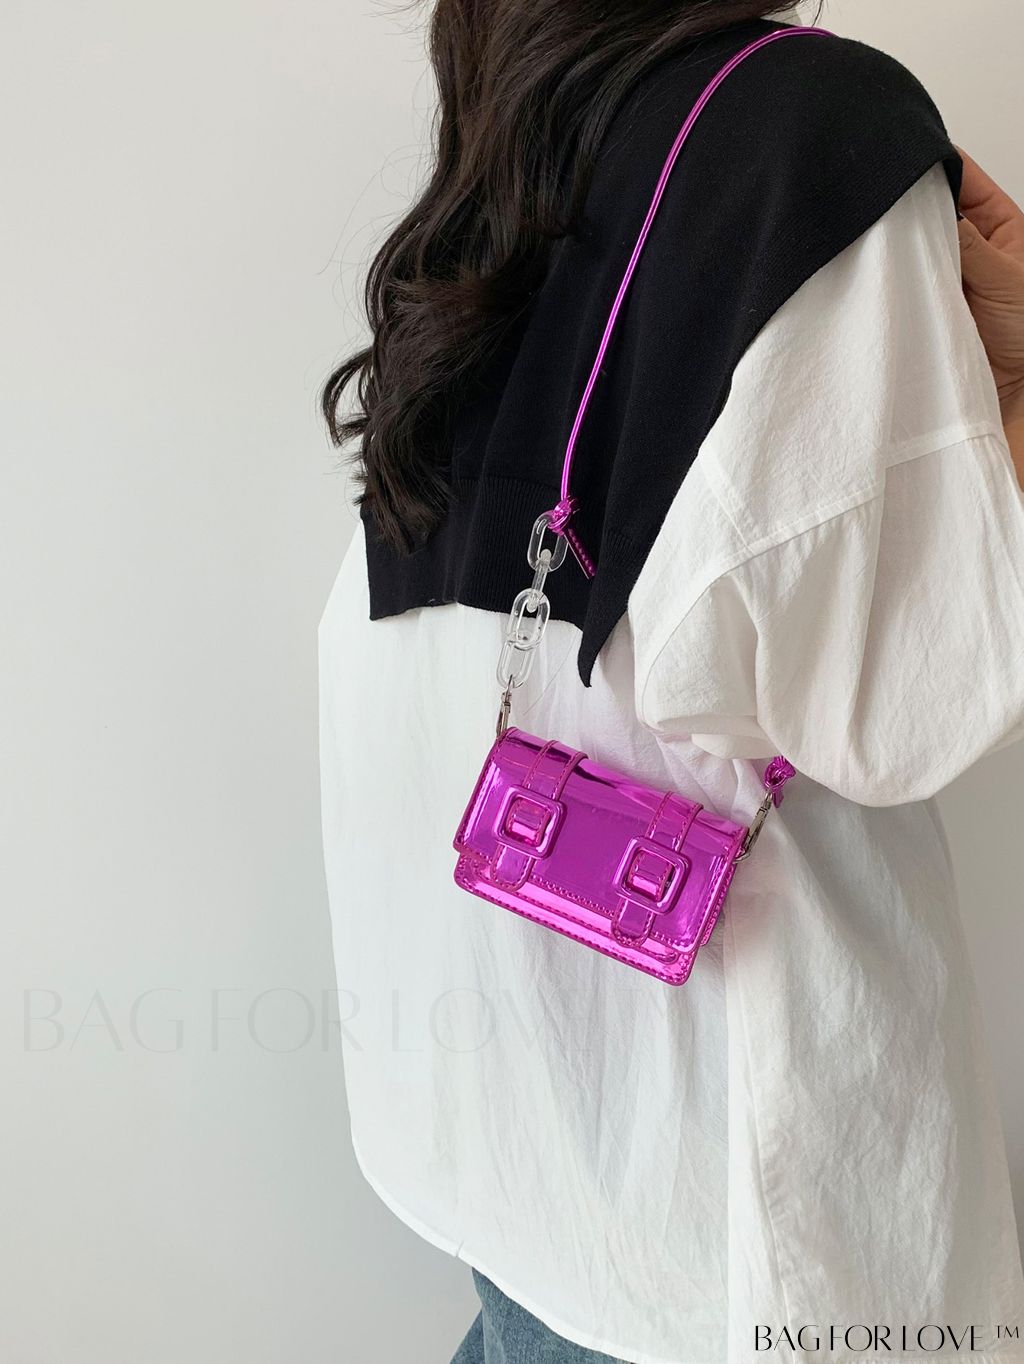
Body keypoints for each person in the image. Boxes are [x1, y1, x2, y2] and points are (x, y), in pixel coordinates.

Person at [318, 6, 1024, 1362]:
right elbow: (908, 696)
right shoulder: (807, 128)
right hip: (708, 1206)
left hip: (507, 1122)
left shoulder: (520, 116)